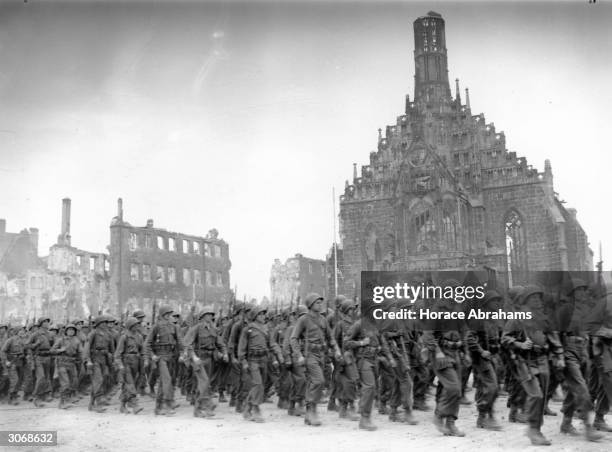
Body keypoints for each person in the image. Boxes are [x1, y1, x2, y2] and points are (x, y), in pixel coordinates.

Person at [502, 285, 565, 446]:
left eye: (539, 297)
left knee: (542, 396)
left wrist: (559, 355)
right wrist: (519, 344)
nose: (538, 300)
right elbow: (505, 339)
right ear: (526, 300)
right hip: (524, 360)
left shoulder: (543, 318)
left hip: (542, 358)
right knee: (536, 394)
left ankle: (536, 428)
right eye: (534, 298)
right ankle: (533, 428)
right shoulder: (517, 318)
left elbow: (553, 337)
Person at [290, 293, 342, 426]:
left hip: (322, 354)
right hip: (309, 355)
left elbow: (330, 337)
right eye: (317, 302)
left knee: (313, 382)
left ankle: (309, 412)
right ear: (310, 305)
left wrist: (336, 349)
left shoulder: (323, 320)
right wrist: (299, 355)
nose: (320, 304)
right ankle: (312, 410)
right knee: (319, 380)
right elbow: (293, 338)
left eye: (320, 302)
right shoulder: (304, 319)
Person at [238, 306, 283, 422]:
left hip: (264, 359)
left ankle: (247, 408)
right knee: (257, 384)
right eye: (261, 314)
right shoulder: (248, 330)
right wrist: (243, 361)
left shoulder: (266, 329)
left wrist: (279, 354)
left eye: (264, 314)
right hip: (253, 360)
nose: (263, 316)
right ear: (255, 316)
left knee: (259, 386)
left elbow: (272, 344)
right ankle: (255, 409)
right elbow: (241, 348)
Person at [182, 305, 228, 418]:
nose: (210, 317)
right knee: (204, 381)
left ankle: (197, 410)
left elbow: (220, 343)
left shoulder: (213, 329)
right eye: (208, 315)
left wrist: (225, 353)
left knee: (204, 384)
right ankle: (208, 406)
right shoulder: (196, 328)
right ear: (202, 316)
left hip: (210, 359)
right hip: (198, 359)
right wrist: (193, 357)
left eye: (211, 315)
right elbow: (187, 343)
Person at [145, 305, 183, 416]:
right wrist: (152, 355)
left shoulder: (174, 327)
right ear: (161, 315)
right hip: (160, 356)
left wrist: (182, 353)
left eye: (169, 314)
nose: (168, 316)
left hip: (171, 356)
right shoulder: (156, 327)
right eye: (166, 314)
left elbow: (180, 342)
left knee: (163, 383)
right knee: (167, 380)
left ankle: (158, 407)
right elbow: (147, 343)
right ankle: (168, 404)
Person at [83, 315, 115, 413]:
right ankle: (98, 403)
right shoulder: (93, 333)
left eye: (106, 322)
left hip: (104, 359)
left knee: (103, 379)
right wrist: (88, 360)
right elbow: (87, 348)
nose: (106, 324)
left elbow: (112, 348)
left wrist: (112, 358)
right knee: (98, 379)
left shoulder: (108, 334)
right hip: (94, 358)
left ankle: (91, 404)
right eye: (103, 322)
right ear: (99, 324)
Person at [114, 317, 144, 414]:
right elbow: (118, 353)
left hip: (136, 362)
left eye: (137, 324)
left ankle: (122, 406)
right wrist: (120, 365)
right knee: (130, 384)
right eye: (135, 325)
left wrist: (144, 361)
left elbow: (142, 350)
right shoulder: (124, 337)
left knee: (129, 385)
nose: (137, 326)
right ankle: (135, 405)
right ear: (130, 326)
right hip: (126, 362)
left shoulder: (139, 337)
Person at [51, 323, 83, 409]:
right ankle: (62, 402)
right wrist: (60, 350)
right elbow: (52, 350)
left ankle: (68, 399)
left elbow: (80, 352)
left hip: (72, 363)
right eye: (69, 330)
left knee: (74, 382)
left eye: (73, 330)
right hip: (62, 363)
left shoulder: (77, 340)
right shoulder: (61, 340)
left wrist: (82, 359)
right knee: (65, 383)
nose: (71, 331)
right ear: (66, 331)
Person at [27, 317, 54, 407]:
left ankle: (45, 394)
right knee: (41, 377)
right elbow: (27, 345)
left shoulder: (50, 334)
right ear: (41, 324)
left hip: (48, 357)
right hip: (38, 357)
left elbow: (53, 344)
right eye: (44, 322)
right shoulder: (36, 334)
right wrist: (36, 344)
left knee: (46, 377)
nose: (47, 323)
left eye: (47, 322)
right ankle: (36, 397)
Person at [1, 326, 26, 405]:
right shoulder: (10, 340)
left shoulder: (23, 341)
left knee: (19, 380)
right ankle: (11, 397)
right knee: (14, 380)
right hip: (12, 362)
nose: (22, 332)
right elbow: (3, 351)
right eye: (20, 330)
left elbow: (25, 351)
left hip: (20, 362)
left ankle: (15, 395)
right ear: (16, 332)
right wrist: (6, 361)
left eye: (23, 331)